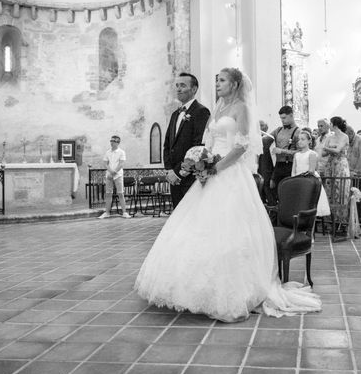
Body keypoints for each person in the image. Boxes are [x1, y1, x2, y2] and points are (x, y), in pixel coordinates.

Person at [134, 67, 321, 322]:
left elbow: (243, 145)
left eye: (222, 80)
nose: (218, 84)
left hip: (230, 174)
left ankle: (232, 291)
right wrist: (200, 160)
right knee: (195, 230)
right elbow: (210, 142)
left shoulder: (241, 108)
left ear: (234, 84)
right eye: (216, 80)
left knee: (228, 231)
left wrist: (216, 167)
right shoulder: (219, 108)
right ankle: (190, 289)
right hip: (210, 174)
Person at [163, 72, 211, 208]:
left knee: (190, 214)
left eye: (183, 85)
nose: (178, 89)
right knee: (177, 214)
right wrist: (169, 170)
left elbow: (198, 145)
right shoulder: (175, 114)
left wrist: (179, 172)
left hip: (190, 176)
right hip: (173, 177)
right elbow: (167, 144)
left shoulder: (201, 111)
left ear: (194, 89)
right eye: (177, 86)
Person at [292, 129, 331, 219]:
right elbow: (293, 170)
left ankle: (310, 225)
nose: (300, 141)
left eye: (303, 139)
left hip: (309, 180)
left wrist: (302, 179)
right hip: (298, 180)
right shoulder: (296, 155)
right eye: (299, 139)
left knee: (310, 203)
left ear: (309, 141)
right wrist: (293, 179)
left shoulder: (312, 154)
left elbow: (311, 170)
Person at [323, 117, 351, 224]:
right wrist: (325, 149)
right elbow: (324, 153)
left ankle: (341, 220)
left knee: (341, 190)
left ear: (335, 125)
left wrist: (326, 148)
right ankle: (331, 220)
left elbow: (337, 150)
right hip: (330, 165)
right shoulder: (330, 137)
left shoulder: (344, 136)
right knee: (330, 190)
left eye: (330, 123)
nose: (329, 126)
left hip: (340, 164)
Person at [98, 135, 129, 219]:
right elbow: (105, 163)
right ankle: (107, 212)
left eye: (113, 141)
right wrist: (110, 171)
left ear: (118, 143)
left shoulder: (121, 152)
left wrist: (114, 172)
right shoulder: (108, 152)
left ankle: (124, 212)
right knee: (108, 194)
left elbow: (121, 163)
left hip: (118, 175)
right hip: (109, 175)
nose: (111, 142)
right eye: (111, 140)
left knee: (120, 193)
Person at [270, 106, 299, 197]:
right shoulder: (278, 130)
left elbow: (300, 152)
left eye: (284, 118)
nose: (282, 120)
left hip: (289, 165)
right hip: (278, 165)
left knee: (288, 192)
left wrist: (282, 151)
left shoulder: (298, 131)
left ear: (291, 115)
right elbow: (266, 138)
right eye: (281, 118)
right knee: (275, 190)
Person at [258, 120, 276, 205]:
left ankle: (272, 209)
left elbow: (273, 157)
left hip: (267, 169)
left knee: (267, 189)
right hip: (258, 168)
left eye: (261, 126)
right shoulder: (256, 139)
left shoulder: (269, 139)